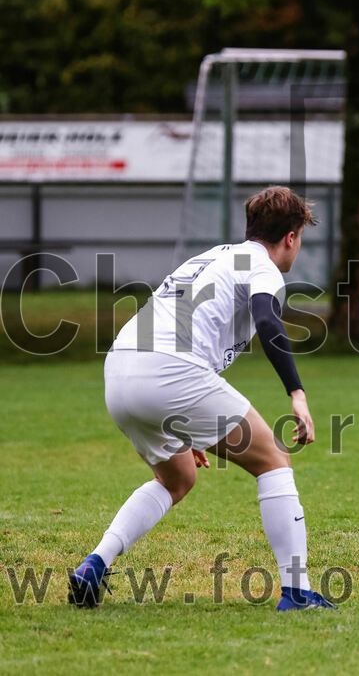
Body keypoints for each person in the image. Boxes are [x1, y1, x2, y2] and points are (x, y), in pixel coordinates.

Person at [69, 186, 335, 611]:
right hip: (169, 372)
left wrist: (185, 419)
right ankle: (298, 592)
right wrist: (297, 393)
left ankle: (94, 565)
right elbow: (268, 319)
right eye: (300, 237)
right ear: (291, 237)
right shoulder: (264, 267)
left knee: (176, 479)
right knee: (273, 460)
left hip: (120, 371)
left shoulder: (212, 257)